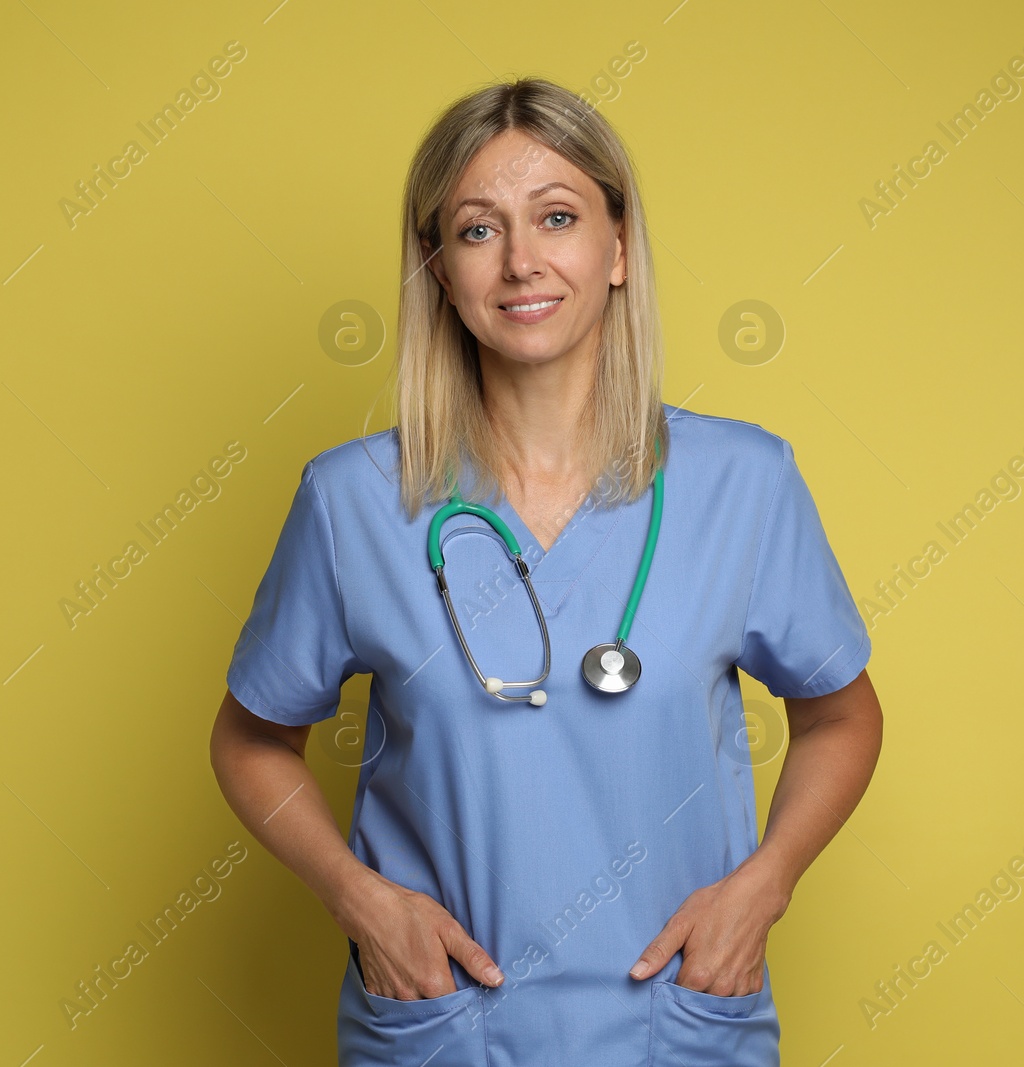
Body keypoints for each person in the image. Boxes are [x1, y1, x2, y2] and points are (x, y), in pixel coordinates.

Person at [209, 76, 883, 1067]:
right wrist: (358, 898)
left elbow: (843, 713)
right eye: (478, 231)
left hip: (676, 1026)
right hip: (446, 1028)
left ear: (616, 248)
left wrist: (766, 881)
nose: (522, 260)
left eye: (556, 217)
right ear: (439, 269)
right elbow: (250, 739)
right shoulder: (351, 501)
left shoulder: (743, 481)